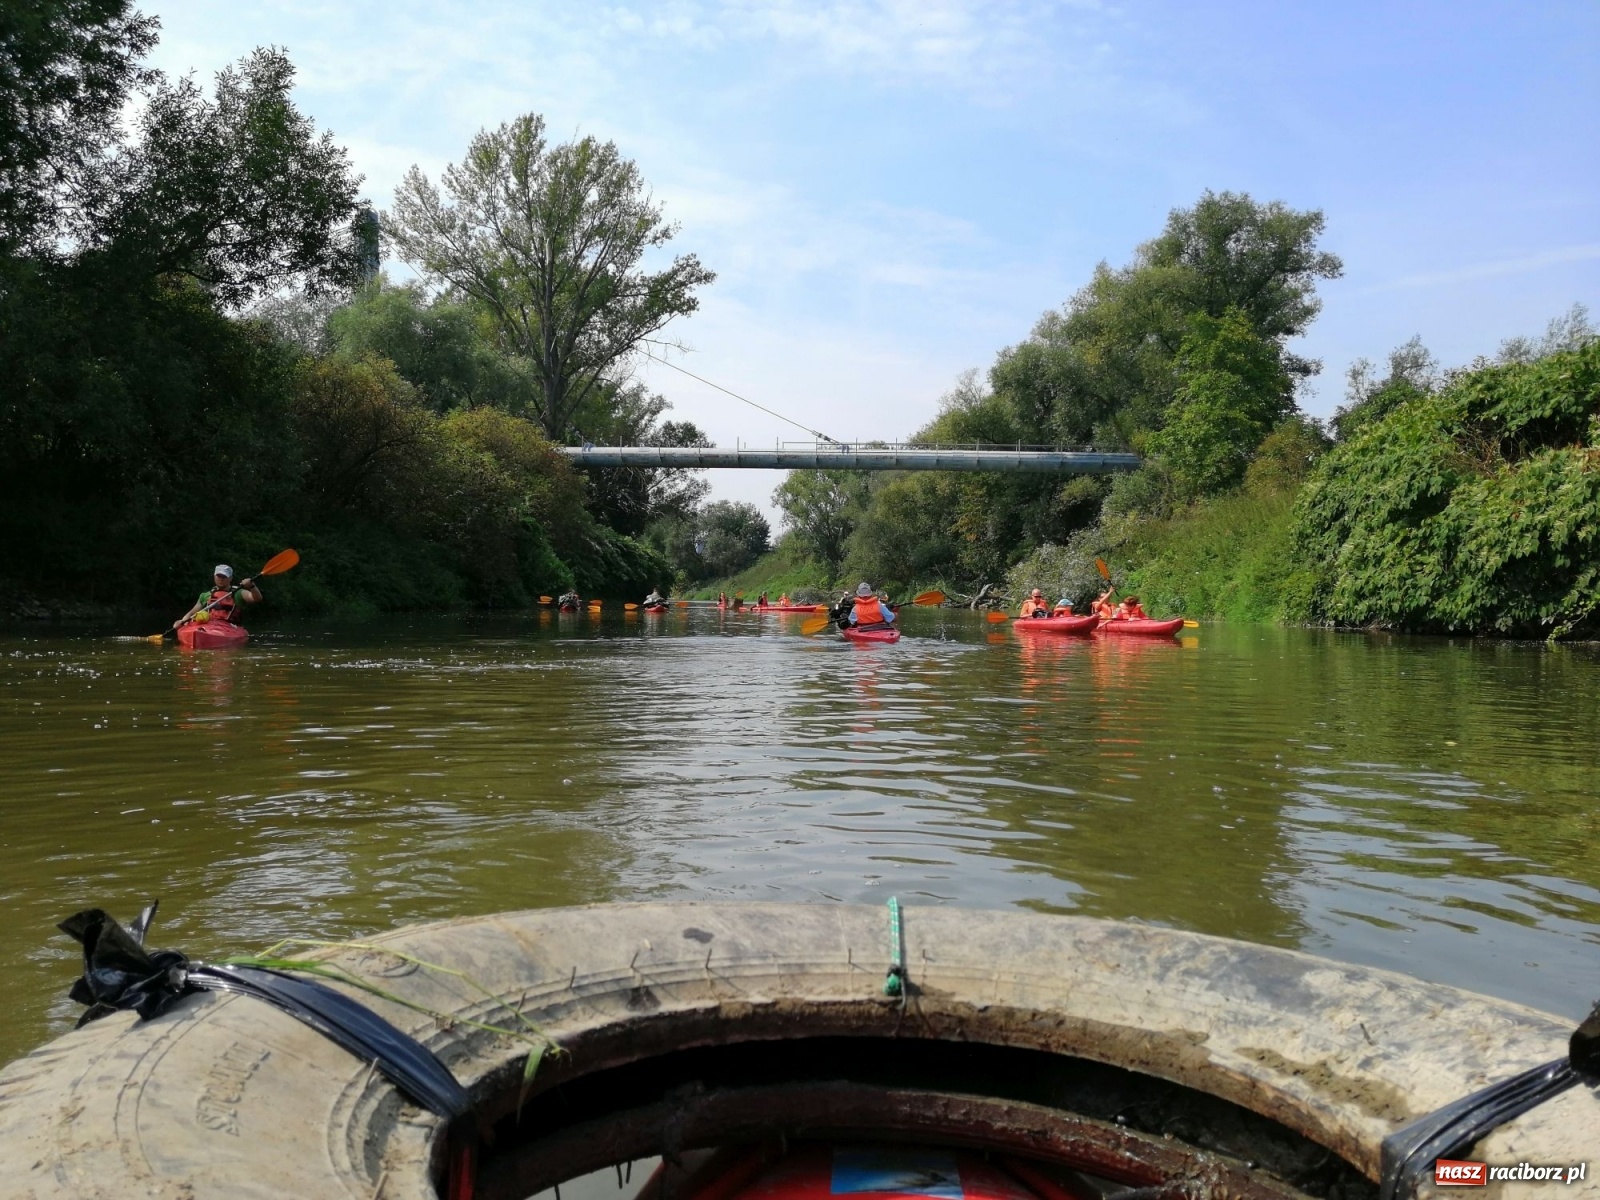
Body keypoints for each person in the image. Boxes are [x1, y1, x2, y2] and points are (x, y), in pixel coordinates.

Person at [175, 565, 260, 630]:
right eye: (218, 576)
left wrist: (252, 586)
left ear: (230, 578)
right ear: (214, 576)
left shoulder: (239, 593)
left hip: (230, 627)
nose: (221, 579)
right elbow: (192, 613)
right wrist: (182, 621)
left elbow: (257, 598)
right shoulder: (205, 595)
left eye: (224, 576)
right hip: (209, 626)